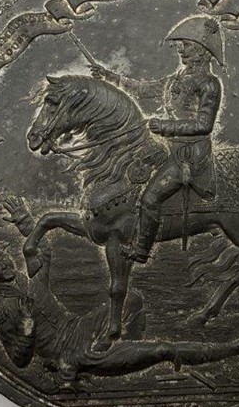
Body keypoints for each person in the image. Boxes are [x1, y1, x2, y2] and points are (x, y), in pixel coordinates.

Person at [0, 197, 239, 382]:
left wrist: (24, 221)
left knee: (132, 299)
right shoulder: (0, 312)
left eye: (4, 258)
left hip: (80, 327)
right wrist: (27, 327)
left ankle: (125, 347)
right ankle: (228, 350)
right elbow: (19, 361)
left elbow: (41, 250)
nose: (5, 263)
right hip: (71, 352)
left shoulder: (29, 283)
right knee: (163, 349)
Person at [92, 15, 225, 263]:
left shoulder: (209, 84)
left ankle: (141, 250)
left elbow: (204, 125)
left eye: (186, 45)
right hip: (171, 147)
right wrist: (108, 76)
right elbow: (144, 89)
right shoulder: (177, 79)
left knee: (150, 198)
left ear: (201, 51)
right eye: (181, 45)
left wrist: (164, 126)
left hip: (189, 155)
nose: (181, 49)